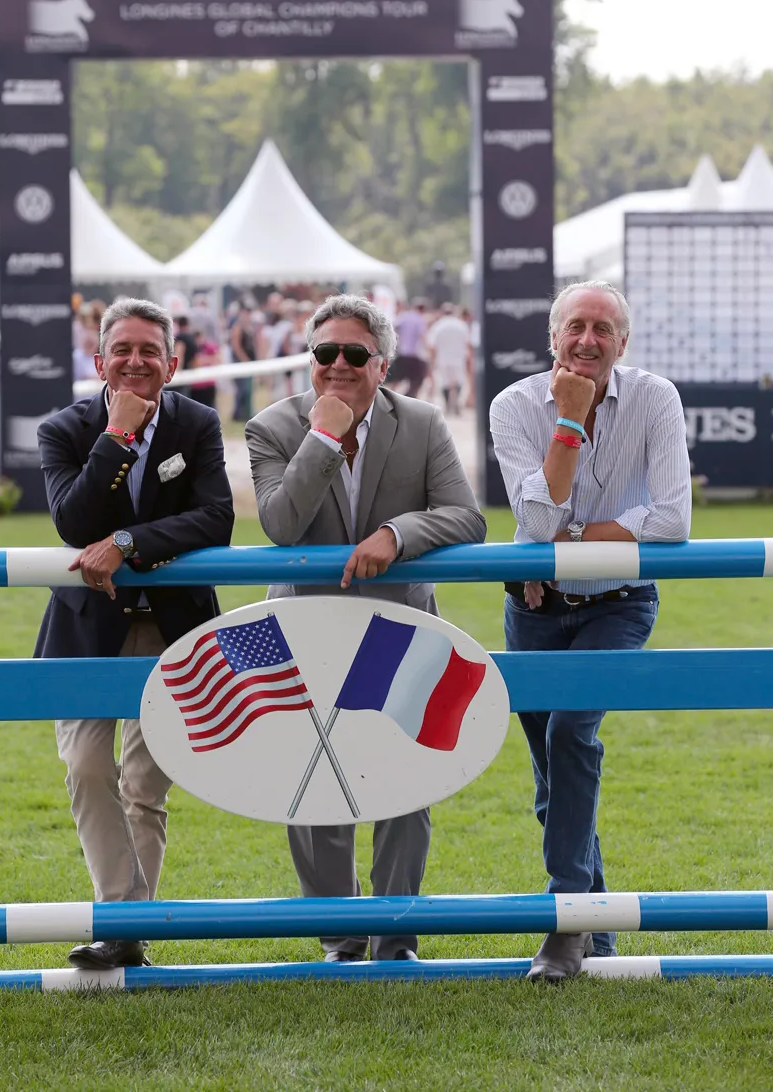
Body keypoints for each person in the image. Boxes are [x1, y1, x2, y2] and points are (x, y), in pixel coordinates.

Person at [246, 293, 486, 962]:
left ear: (383, 364)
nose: (339, 365)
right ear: (310, 361)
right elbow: (279, 523)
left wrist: (395, 534)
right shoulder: (271, 426)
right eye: (325, 353)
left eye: (355, 354)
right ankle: (340, 936)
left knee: (405, 783)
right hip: (305, 629)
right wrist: (323, 436)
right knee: (313, 784)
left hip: (398, 631)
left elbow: (465, 517)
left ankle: (396, 935)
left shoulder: (424, 422)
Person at [489, 280, 691, 981]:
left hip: (620, 601)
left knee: (572, 731)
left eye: (604, 329)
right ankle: (595, 937)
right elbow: (538, 525)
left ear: (623, 344)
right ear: (553, 337)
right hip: (535, 607)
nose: (588, 340)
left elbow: (674, 521)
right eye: (576, 326)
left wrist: (571, 534)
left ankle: (564, 920)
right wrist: (569, 423)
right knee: (553, 780)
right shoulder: (513, 406)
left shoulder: (655, 397)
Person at [35, 297, 234, 971]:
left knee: (145, 786)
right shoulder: (63, 429)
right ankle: (128, 915)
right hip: (87, 624)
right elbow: (71, 522)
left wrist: (125, 541)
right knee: (85, 767)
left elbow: (216, 520)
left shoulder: (198, 423)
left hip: (173, 626)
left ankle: (123, 931)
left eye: (150, 350)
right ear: (99, 360)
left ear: (172, 363)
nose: (136, 360)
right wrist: (116, 437)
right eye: (122, 349)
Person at [427, 304, 471, 416]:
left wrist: (432, 360)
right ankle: (456, 403)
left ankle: (447, 404)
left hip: (443, 359)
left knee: (444, 383)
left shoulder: (438, 326)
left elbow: (432, 345)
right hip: (458, 358)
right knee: (459, 382)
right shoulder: (461, 325)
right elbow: (468, 343)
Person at [390, 299, 428, 398]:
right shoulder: (420, 319)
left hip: (403, 353)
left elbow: (393, 327)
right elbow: (423, 336)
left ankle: (388, 395)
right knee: (416, 379)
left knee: (397, 378)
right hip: (414, 355)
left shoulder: (404, 316)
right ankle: (412, 396)